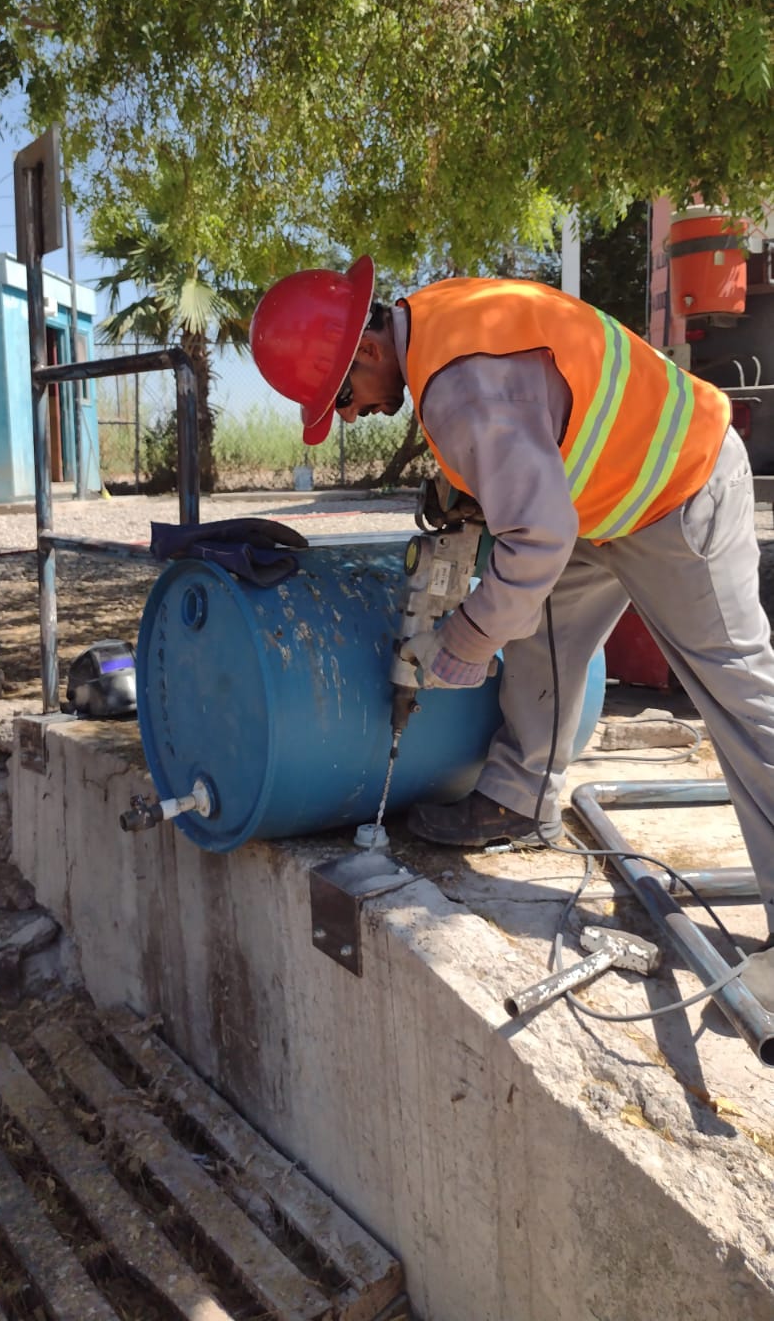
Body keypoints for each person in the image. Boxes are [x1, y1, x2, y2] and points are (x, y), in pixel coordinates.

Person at [249, 254, 774, 1001]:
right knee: (544, 627)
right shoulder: (430, 315)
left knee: (740, 694)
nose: (354, 415)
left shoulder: (457, 389)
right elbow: (528, 413)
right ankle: (522, 798)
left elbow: (534, 533)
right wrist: (462, 487)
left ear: (366, 350)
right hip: (602, 493)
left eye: (345, 399)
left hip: (678, 483)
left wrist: (466, 637)